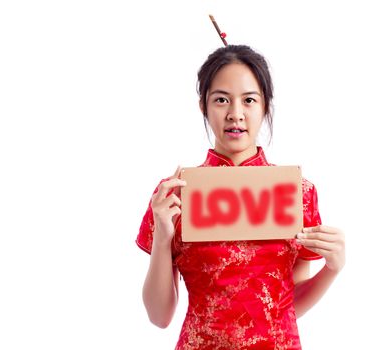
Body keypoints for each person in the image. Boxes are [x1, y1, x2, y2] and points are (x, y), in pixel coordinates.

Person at [136, 44, 345, 349]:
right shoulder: (175, 195)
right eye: (221, 100)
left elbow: (288, 305)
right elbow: (159, 316)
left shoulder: (297, 193)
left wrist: (332, 269)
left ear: (265, 107)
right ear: (203, 106)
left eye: (249, 100)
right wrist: (163, 237)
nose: (235, 114)